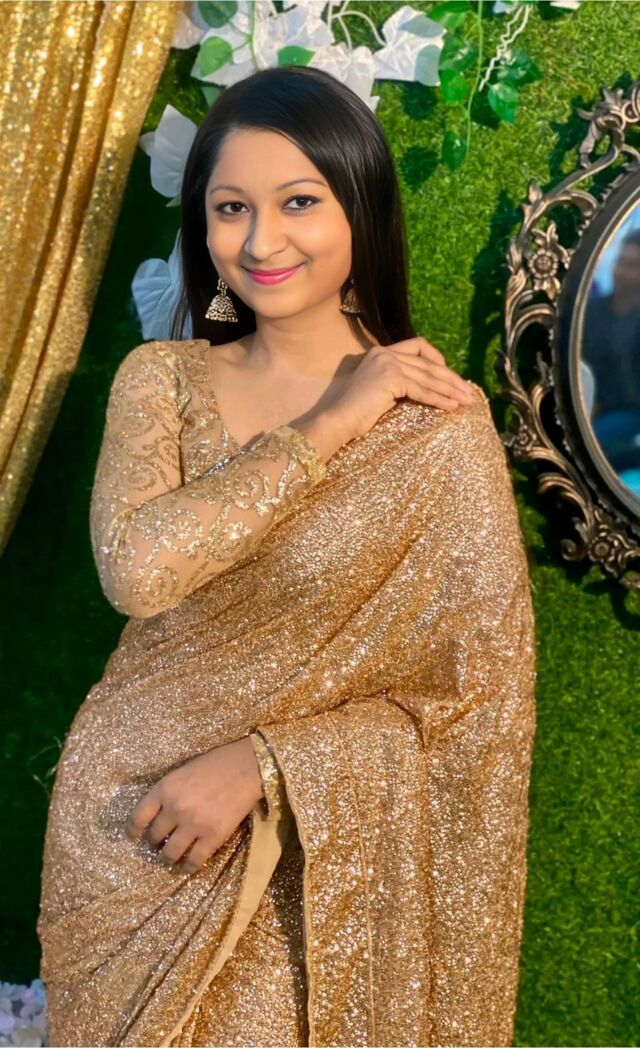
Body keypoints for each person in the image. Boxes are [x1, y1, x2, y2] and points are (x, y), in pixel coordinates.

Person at [37, 66, 537, 1047]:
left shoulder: (438, 431)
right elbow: (139, 571)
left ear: (361, 210)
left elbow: (475, 697)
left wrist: (267, 764)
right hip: (124, 832)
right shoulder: (161, 381)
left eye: (298, 202)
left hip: (299, 868)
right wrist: (325, 425)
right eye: (231, 209)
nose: (261, 242)